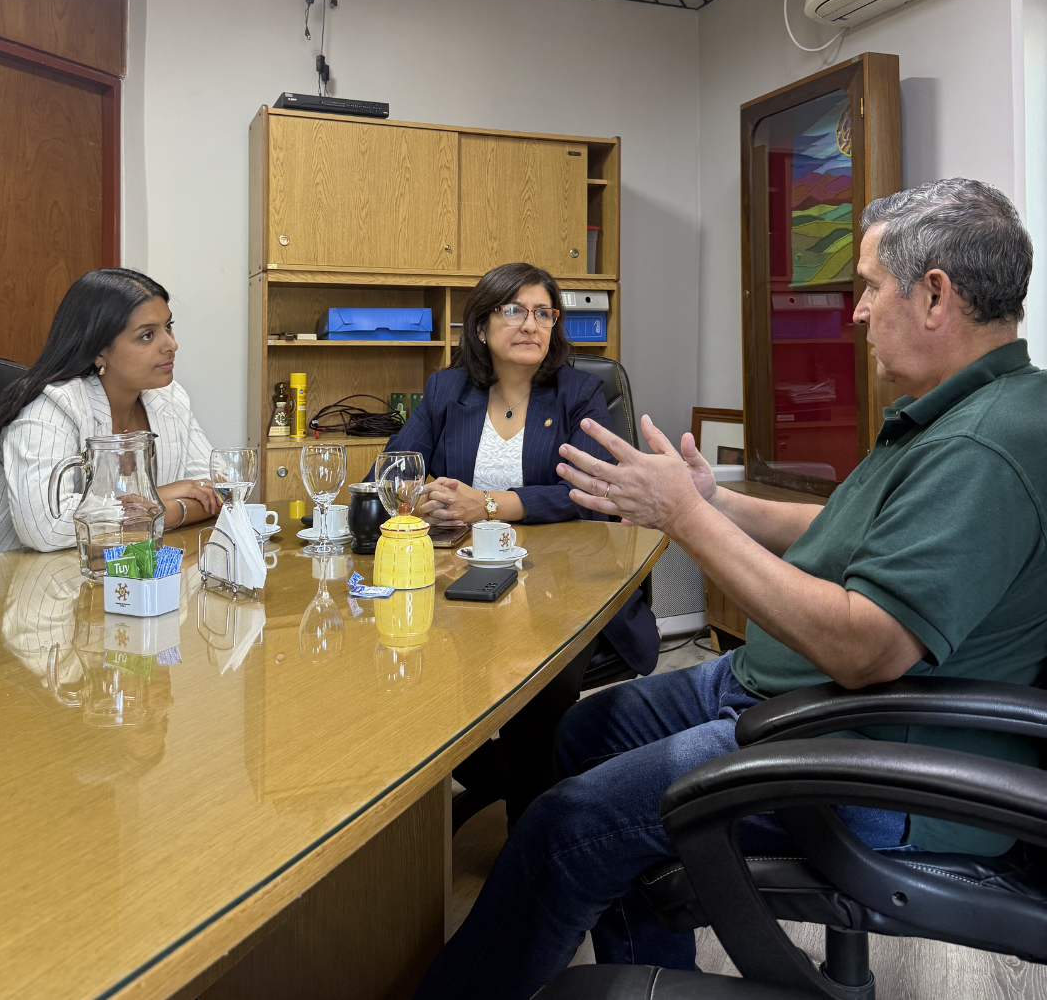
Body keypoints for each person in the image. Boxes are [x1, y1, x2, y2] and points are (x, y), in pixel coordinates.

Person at [414, 178, 1047, 1000]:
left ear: (934, 296)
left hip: (864, 750)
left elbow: (865, 647)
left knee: (561, 829)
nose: (855, 312)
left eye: (867, 288)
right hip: (782, 690)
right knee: (584, 733)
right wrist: (716, 500)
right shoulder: (952, 413)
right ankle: (652, 972)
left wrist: (685, 517)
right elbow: (840, 534)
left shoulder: (985, 446)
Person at [377, 261, 659, 822]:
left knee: (538, 692)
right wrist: (425, 494)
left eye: (543, 313)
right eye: (514, 310)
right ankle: (521, 788)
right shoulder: (446, 389)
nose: (530, 324)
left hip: (561, 585)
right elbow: (392, 471)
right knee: (417, 686)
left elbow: (597, 489)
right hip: (457, 579)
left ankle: (534, 837)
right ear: (481, 326)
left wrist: (485, 503)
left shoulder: (578, 392)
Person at [0, 268, 221, 556]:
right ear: (100, 351)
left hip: (117, 573)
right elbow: (45, 529)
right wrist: (159, 501)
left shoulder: (169, 398)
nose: (171, 345)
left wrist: (152, 511)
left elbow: (215, 492)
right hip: (12, 585)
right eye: (148, 335)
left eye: (168, 326)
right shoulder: (49, 409)